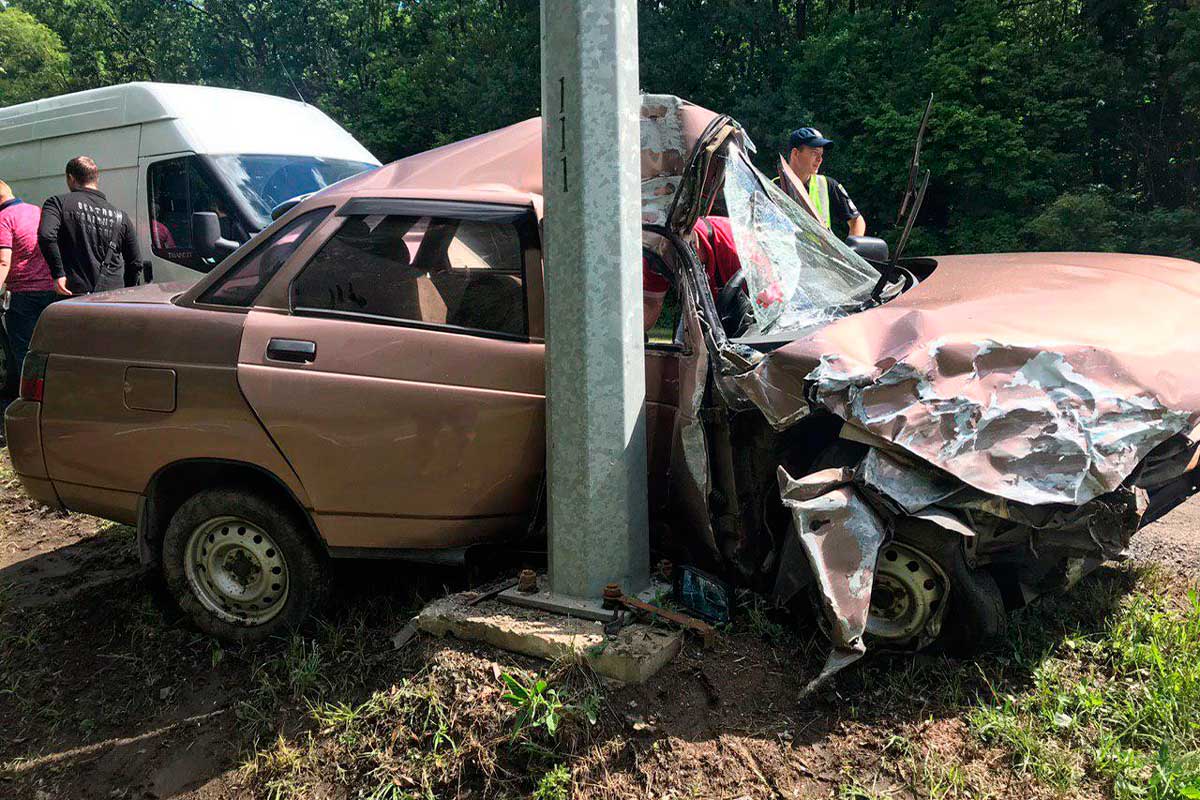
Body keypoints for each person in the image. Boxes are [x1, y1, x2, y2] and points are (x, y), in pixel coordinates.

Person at [38, 156, 142, 296]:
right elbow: (135, 262)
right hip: (114, 298)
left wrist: (58, 274)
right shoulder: (120, 216)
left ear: (71, 178)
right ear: (96, 179)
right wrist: (127, 291)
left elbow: (46, 235)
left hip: (74, 294)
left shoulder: (57, 203)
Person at [643, 215, 743, 331]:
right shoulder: (657, 256)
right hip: (699, 309)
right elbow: (651, 303)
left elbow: (765, 291)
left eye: (677, 258)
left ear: (693, 244)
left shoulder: (736, 244)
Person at [0, 180, 58, 376]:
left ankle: (26, 400)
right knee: (46, 349)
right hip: (49, 292)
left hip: (22, 295)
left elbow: (3, 262)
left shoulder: (4, 218)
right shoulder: (36, 211)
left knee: (24, 352)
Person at [784, 127, 866, 237]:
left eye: (821, 154)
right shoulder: (772, 188)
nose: (819, 159)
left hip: (820, 254)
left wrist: (854, 248)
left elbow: (856, 221)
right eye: (814, 153)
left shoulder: (827, 185)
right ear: (795, 154)